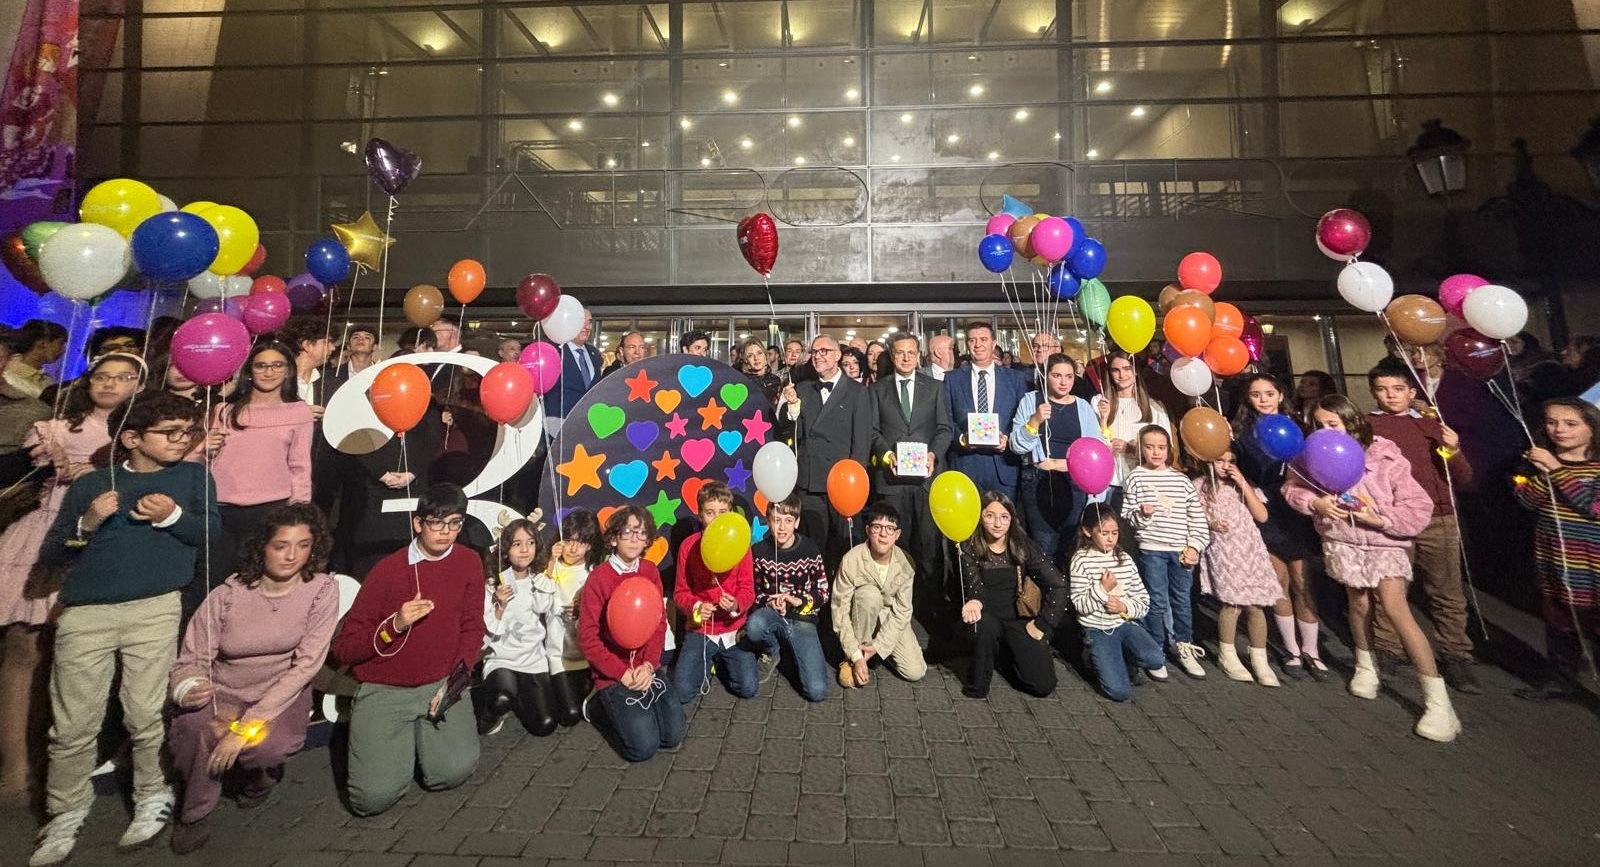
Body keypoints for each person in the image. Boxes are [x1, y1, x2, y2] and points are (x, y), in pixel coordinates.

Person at [30, 392, 217, 866]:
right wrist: (87, 524)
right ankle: (66, 809)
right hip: (86, 613)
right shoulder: (93, 484)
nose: (181, 440)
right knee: (73, 722)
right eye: (169, 432)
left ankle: (152, 792)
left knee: (145, 710)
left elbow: (209, 533)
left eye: (188, 431)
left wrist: (171, 516)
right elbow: (55, 553)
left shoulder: (194, 477)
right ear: (132, 438)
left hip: (155, 607)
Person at [0, 353, 144, 804]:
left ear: (140, 386)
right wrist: (49, 461)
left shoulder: (139, 435)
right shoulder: (53, 428)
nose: (110, 384)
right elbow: (30, 472)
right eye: (102, 376)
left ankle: (63, 760)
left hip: (105, 541)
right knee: (23, 651)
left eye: (123, 377)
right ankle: (15, 767)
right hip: (42, 539)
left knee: (77, 659)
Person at [1284, 396, 1460, 742]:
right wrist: (1316, 502)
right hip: (1343, 540)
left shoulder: (1385, 456)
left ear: (1351, 422)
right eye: (1318, 425)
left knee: (1395, 608)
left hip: (1383, 541)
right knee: (1359, 603)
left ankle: (1438, 700)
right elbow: (1292, 488)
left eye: (1333, 424)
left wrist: (1380, 518)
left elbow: (1417, 504)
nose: (1325, 432)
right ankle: (1365, 664)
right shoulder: (1310, 455)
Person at [165, 503, 338, 853]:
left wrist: (244, 728)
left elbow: (305, 667)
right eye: (281, 546)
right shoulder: (227, 595)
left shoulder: (321, 590)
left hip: (279, 694)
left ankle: (259, 779)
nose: (292, 556)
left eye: (303, 545)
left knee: (265, 747)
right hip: (224, 690)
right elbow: (192, 658)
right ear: (263, 547)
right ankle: (196, 810)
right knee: (195, 732)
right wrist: (189, 688)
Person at [330, 484, 485, 816]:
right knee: (373, 799)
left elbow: (473, 627)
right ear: (418, 523)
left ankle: (418, 739)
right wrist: (395, 625)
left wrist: (455, 681)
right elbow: (344, 649)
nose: (445, 532)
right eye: (436, 522)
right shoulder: (388, 570)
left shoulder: (469, 561)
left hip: (440, 682)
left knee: (453, 771)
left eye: (455, 523)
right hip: (386, 688)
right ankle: (381, 738)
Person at [1366, 361, 1481, 693]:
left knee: (1446, 591)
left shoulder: (1432, 426)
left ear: (1411, 392)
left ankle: (1455, 654)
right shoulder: (1368, 426)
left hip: (1437, 517)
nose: (1391, 395)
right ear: (1373, 393)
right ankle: (1389, 650)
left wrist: (1454, 450)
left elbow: (1463, 477)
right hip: (1390, 518)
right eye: (1382, 389)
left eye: (1398, 389)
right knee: (1388, 591)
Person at [1231, 374, 1327, 679]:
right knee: (1279, 579)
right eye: (1256, 394)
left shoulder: (1299, 427)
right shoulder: (1242, 434)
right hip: (1265, 508)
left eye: (1269, 393)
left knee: (1303, 580)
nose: (1263, 399)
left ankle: (1312, 650)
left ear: (1280, 395)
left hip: (1296, 506)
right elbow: (1237, 469)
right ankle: (1291, 650)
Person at [196, 341, 314, 589]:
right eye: (261, 366)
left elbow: (300, 466)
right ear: (249, 371)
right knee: (212, 583)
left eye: (277, 365)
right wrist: (204, 449)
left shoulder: (299, 412)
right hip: (219, 510)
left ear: (288, 371)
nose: (269, 372)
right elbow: (200, 461)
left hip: (270, 510)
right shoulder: (222, 410)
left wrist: (299, 512)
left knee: (257, 585)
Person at [579, 506, 684, 762]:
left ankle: (637, 706)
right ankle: (598, 705)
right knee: (643, 749)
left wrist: (648, 665)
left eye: (641, 532)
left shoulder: (650, 571)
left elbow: (658, 624)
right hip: (614, 673)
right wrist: (622, 674)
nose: (635, 538)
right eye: (627, 532)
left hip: (646, 666)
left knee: (672, 736)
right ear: (614, 538)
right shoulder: (598, 579)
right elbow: (588, 639)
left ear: (648, 540)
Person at [1513, 398, 1600, 701]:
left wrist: (1556, 469)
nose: (1559, 429)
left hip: (1593, 567)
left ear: (1592, 427)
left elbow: (1594, 507)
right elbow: (1526, 501)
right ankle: (1560, 680)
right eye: (1552, 422)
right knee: (1560, 625)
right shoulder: (1541, 461)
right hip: (1556, 562)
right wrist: (1543, 473)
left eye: (1571, 423)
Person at [868, 333, 954, 635]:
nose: (906, 358)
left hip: (925, 482)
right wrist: (886, 454)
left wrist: (933, 454)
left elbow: (944, 428)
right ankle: (895, 615)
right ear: (892, 356)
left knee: (929, 548)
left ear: (919, 356)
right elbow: (872, 431)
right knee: (894, 549)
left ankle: (930, 613)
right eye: (900, 353)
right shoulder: (877, 390)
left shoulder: (935, 388)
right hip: (892, 483)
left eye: (911, 353)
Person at [1121, 425, 1211, 678]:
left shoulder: (1181, 480)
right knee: (1156, 600)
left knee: (1181, 600)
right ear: (1141, 449)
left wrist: (1195, 546)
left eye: (1161, 447)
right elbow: (1127, 514)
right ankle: (1156, 649)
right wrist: (1142, 515)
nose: (1156, 452)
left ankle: (1184, 645)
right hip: (1152, 549)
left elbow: (1196, 517)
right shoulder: (1136, 477)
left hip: (1180, 550)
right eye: (1149, 447)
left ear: (1169, 450)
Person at [957, 492, 1067, 699]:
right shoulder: (969, 545)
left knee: (1043, 685)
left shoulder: (1021, 544)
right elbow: (975, 587)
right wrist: (974, 602)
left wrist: (1043, 624)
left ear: (1012, 519)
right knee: (985, 627)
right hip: (986, 617)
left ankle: (1004, 654)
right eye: (990, 516)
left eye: (1004, 517)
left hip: (1018, 620)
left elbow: (1058, 584)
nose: (997, 523)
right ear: (980, 517)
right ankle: (980, 677)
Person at [777, 335, 872, 568]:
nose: (818, 356)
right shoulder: (802, 389)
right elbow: (792, 434)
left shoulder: (857, 391)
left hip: (843, 483)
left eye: (824, 351)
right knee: (813, 547)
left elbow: (861, 442)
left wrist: (855, 482)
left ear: (838, 355)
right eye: (814, 352)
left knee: (844, 547)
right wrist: (792, 408)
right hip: (810, 482)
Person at [1196, 448, 1283, 687]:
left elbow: (1262, 515)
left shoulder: (1243, 486)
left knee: (1256, 605)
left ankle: (1259, 658)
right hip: (1225, 549)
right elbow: (1193, 515)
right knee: (1232, 603)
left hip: (1251, 549)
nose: (1226, 466)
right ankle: (1228, 654)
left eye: (1231, 461)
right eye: (1220, 460)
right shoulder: (1201, 485)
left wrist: (1243, 483)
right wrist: (1210, 523)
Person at [1012, 354, 1107, 562]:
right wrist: (1034, 421)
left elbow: (1095, 451)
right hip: (1038, 480)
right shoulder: (1031, 400)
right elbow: (1017, 446)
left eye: (1069, 376)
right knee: (1043, 545)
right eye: (1057, 376)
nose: (1064, 382)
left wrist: (1095, 495)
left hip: (1073, 483)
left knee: (1070, 544)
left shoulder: (1083, 407)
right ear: (1045, 376)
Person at [1071, 503, 1169, 700]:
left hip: (1124, 623)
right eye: (1104, 533)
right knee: (1118, 692)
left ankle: (1125, 656)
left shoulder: (1124, 559)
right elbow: (1080, 605)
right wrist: (1102, 590)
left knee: (1156, 659)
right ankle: (1092, 656)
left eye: (1114, 533)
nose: (1110, 539)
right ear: (1088, 532)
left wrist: (1125, 607)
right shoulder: (1081, 560)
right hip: (1097, 629)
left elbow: (1143, 599)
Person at [672, 482, 757, 703]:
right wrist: (696, 607)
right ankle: (708, 661)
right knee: (682, 692)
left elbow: (748, 589)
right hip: (701, 630)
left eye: (722, 512)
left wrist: (736, 604)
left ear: (730, 513)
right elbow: (680, 592)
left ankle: (721, 662)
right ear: (700, 515)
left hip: (733, 630)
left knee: (747, 687)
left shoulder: (741, 545)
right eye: (710, 512)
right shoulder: (688, 547)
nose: (716, 518)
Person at [474, 519, 561, 737]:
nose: (525, 550)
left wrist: (551, 564)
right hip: (502, 659)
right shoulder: (493, 584)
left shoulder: (538, 579)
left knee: (545, 725)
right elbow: (487, 631)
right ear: (505, 549)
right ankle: (490, 714)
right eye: (517, 544)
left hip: (533, 660)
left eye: (530, 543)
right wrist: (500, 605)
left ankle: (519, 697)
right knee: (501, 699)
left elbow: (542, 606)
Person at [746, 495, 831, 701]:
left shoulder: (809, 549)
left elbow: (823, 590)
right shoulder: (758, 551)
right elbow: (753, 592)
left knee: (816, 691)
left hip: (802, 619)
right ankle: (772, 649)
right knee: (755, 625)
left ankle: (794, 651)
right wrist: (768, 601)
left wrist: (801, 601)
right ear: (768, 520)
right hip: (772, 615)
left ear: (797, 522)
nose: (782, 527)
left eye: (788, 521)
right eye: (777, 520)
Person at [832, 502, 925, 687]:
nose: (883, 534)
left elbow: (902, 612)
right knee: (870, 595)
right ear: (868, 530)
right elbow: (839, 611)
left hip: (889, 617)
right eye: (877, 527)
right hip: (861, 613)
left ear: (897, 534)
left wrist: (879, 646)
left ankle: (876, 651)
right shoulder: (851, 560)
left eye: (890, 529)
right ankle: (855, 657)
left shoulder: (906, 563)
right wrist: (856, 655)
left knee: (915, 672)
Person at [946, 322, 1027, 500]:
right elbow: (945, 420)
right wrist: (961, 438)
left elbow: (1023, 418)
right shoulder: (951, 379)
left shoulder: (1016, 379)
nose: (978, 345)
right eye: (972, 340)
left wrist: (1009, 440)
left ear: (993, 343)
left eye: (983, 339)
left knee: (1003, 517)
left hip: (1004, 466)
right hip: (965, 464)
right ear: (967, 344)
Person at [545, 510, 603, 725]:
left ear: (590, 545)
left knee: (582, 707)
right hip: (558, 656)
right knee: (569, 715)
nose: (573, 548)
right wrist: (551, 560)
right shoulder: (552, 566)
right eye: (568, 541)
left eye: (581, 542)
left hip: (587, 656)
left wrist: (583, 607)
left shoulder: (594, 572)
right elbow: (540, 596)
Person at [1095, 351, 1172, 510]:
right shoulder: (1099, 402)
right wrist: (1103, 420)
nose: (1121, 375)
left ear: (1135, 371)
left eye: (1126, 369)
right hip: (1110, 481)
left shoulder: (1154, 407)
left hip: (1143, 481)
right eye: (1116, 370)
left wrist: (1133, 448)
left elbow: (1166, 448)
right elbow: (1094, 441)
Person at [546, 311, 603, 428]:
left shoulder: (594, 354)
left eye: (589, 322)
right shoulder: (553, 353)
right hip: (560, 426)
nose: (587, 327)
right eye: (581, 321)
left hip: (590, 426)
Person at [4, 320, 67, 399]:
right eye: (61, 343)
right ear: (42, 343)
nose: (63, 350)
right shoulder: (6, 371)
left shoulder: (49, 382)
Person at [739, 337, 783, 405]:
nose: (756, 358)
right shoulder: (742, 382)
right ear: (746, 361)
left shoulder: (776, 380)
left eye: (759, 353)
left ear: (765, 356)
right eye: (750, 355)